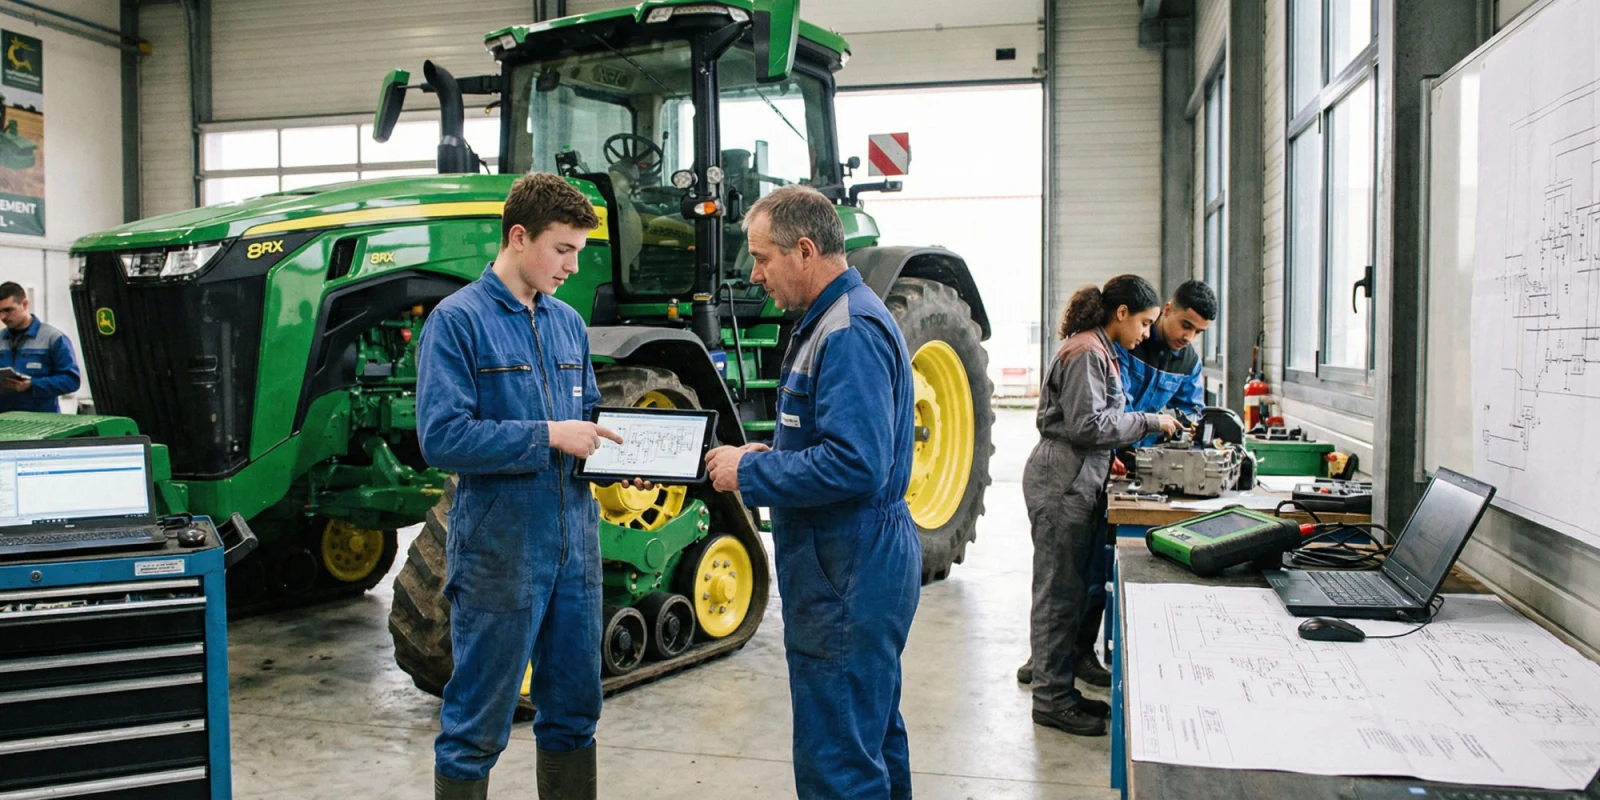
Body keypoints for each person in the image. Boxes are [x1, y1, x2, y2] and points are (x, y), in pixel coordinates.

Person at [416, 173, 630, 800]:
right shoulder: (457, 323)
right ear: (518, 236)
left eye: (579, 253)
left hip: (574, 546)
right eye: (562, 250)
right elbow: (443, 438)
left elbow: (587, 419)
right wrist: (547, 436)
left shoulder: (566, 323)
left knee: (573, 714)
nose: (572, 265)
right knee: (477, 723)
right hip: (499, 550)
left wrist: (622, 454)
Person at [703, 185, 920, 799]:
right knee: (868, 734)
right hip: (844, 556)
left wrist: (749, 475)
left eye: (763, 258)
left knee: (839, 760)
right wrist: (770, 456)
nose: (755, 274)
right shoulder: (825, 320)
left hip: (850, 559)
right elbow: (833, 443)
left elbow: (856, 465)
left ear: (804, 250)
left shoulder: (847, 331)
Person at [1016, 279, 1216, 687]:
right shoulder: (1103, 349)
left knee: (1073, 578)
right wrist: (1145, 424)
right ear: (1164, 309)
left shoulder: (1140, 351)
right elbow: (1090, 421)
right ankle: (1051, 678)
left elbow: (1183, 412)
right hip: (1080, 463)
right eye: (1184, 325)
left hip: (1102, 461)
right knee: (1064, 581)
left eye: (1198, 332)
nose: (1187, 337)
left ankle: (1063, 663)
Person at [1025, 275, 1177, 736]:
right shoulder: (1088, 352)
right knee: (1058, 593)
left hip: (1076, 473)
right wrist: (1151, 421)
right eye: (1146, 324)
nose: (1147, 334)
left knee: (1069, 591)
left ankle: (1061, 689)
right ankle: (1050, 700)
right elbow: (1088, 424)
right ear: (1122, 313)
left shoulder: (1100, 350)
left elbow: (1090, 427)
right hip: (1061, 480)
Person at [0, 282, 80, 413]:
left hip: (43, 424)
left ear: (25, 304)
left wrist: (32, 384)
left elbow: (71, 381)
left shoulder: (53, 339)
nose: (3, 317)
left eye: (8, 310)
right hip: (6, 425)